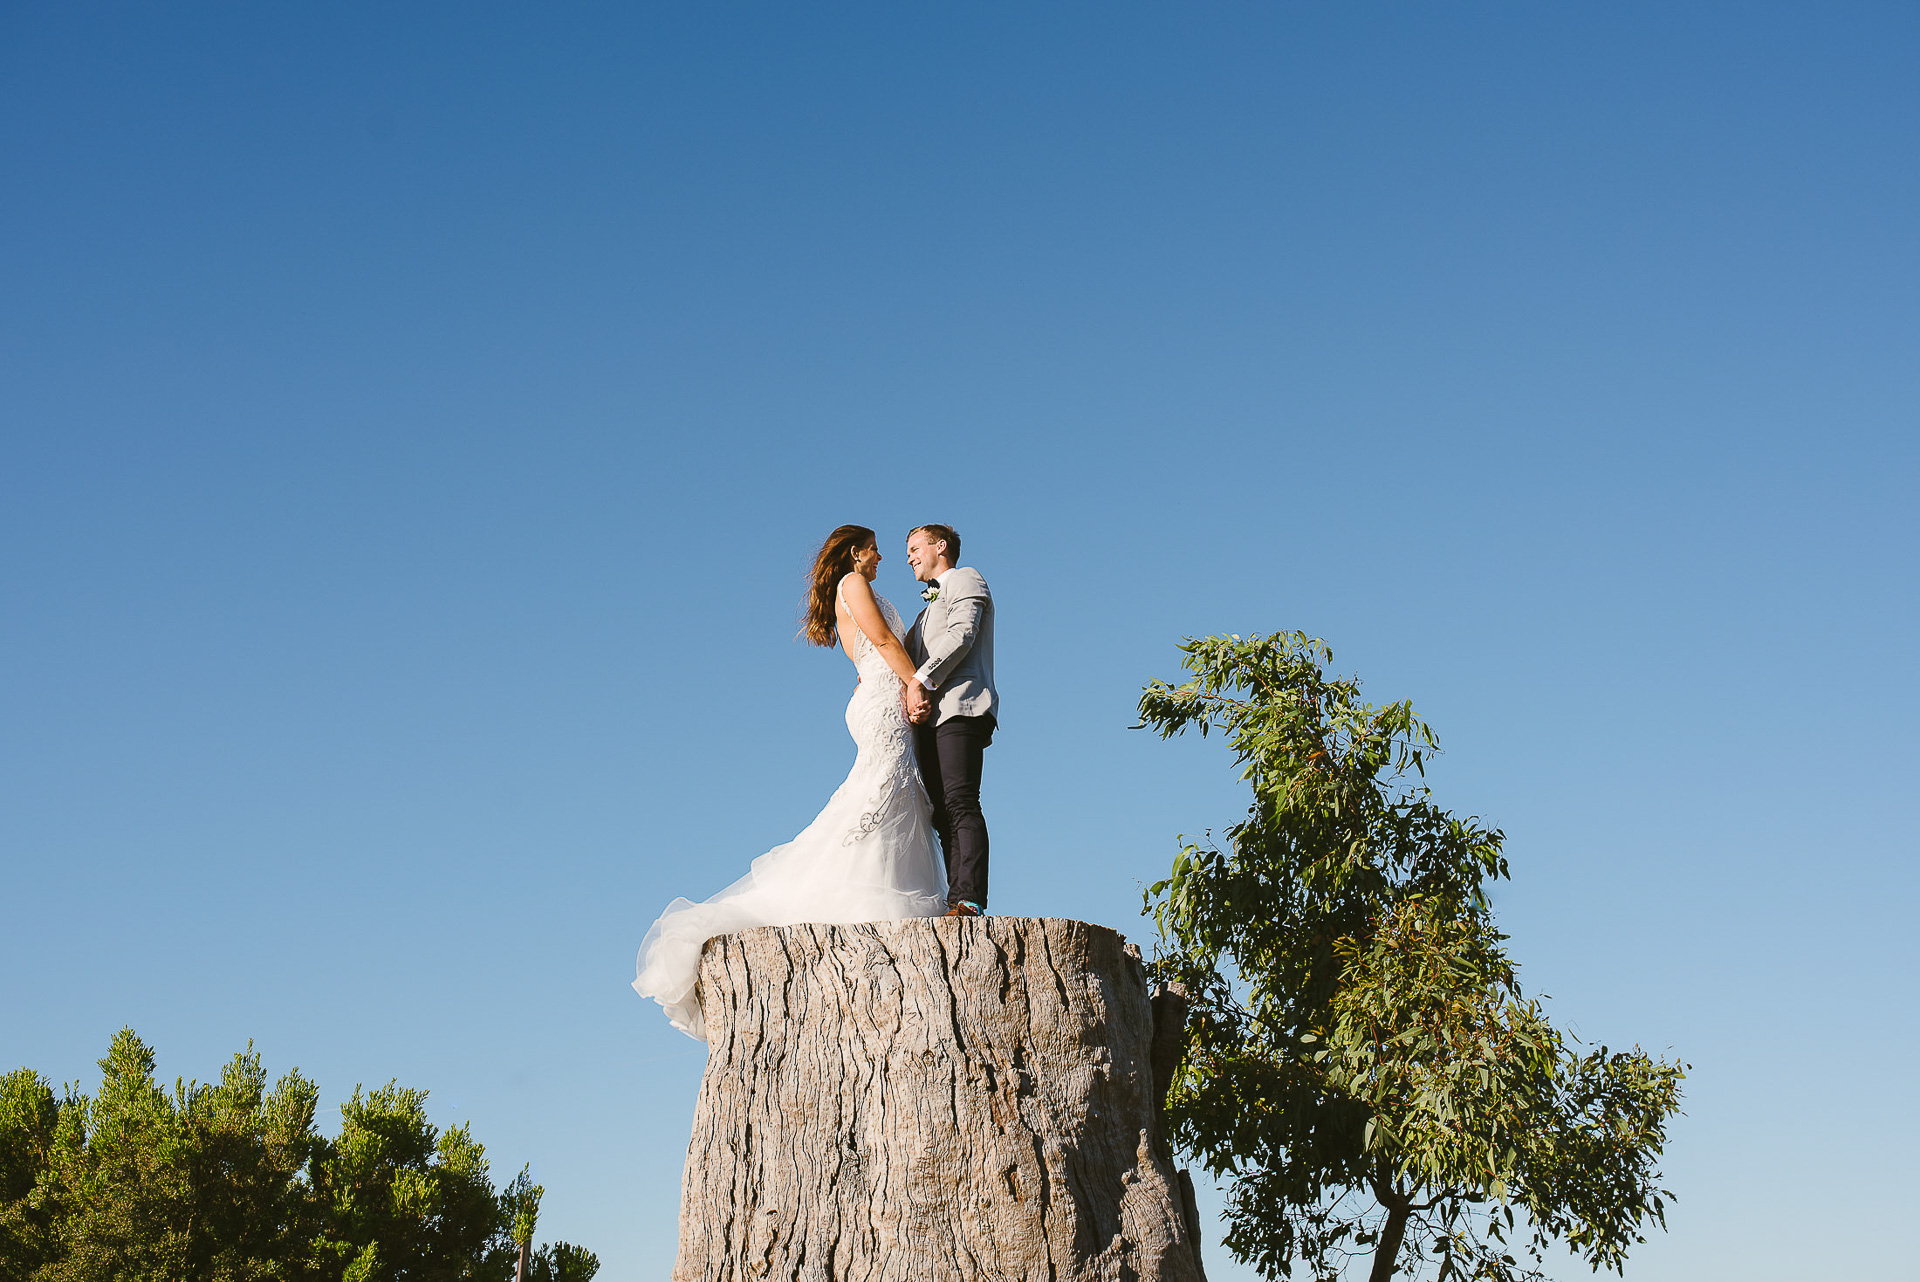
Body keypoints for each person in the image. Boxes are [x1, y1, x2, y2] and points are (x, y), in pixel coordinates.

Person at [631, 525, 947, 1038]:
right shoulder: (852, 583)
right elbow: (884, 639)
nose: (882, 555)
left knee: (892, 795)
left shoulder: (855, 590)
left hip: (877, 696)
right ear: (854, 552)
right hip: (885, 701)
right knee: (880, 792)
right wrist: (917, 680)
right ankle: (863, 899)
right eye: (874, 548)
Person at [902, 524, 997, 918]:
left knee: (961, 801)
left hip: (961, 707)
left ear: (940, 546)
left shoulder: (965, 578)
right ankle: (954, 898)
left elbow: (962, 634)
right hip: (928, 720)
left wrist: (922, 680)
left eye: (914, 547)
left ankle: (970, 899)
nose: (909, 556)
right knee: (940, 811)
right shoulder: (923, 613)